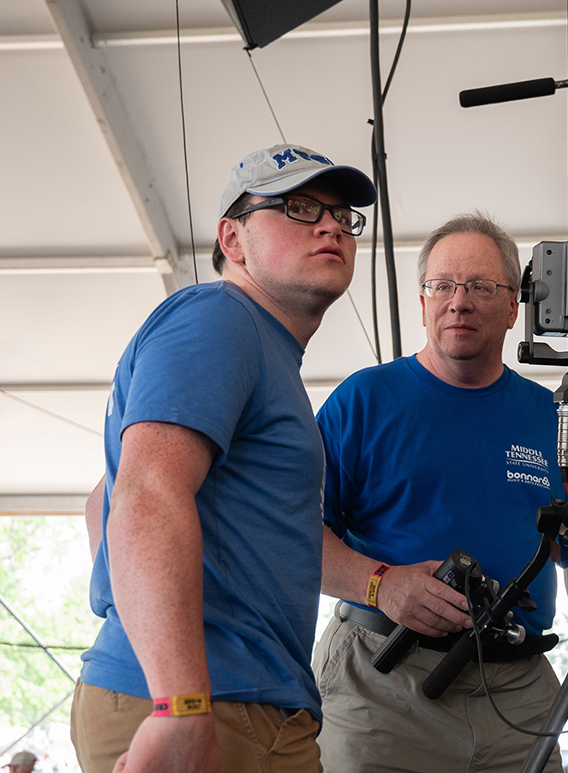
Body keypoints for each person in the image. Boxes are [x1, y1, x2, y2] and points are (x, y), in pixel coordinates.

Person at [72, 143, 375, 773]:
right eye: (298, 207)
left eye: (342, 216)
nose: (330, 227)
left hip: (242, 702)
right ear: (232, 239)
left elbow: (105, 498)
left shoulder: (256, 344)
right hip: (206, 703)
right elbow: (145, 494)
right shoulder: (219, 319)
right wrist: (178, 700)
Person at [313, 212, 568, 772]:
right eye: (442, 285)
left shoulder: (553, 417)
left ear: (513, 307)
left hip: (519, 689)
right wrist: (381, 584)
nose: (459, 302)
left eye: (480, 287)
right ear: (422, 303)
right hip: (384, 682)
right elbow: (295, 533)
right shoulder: (363, 401)